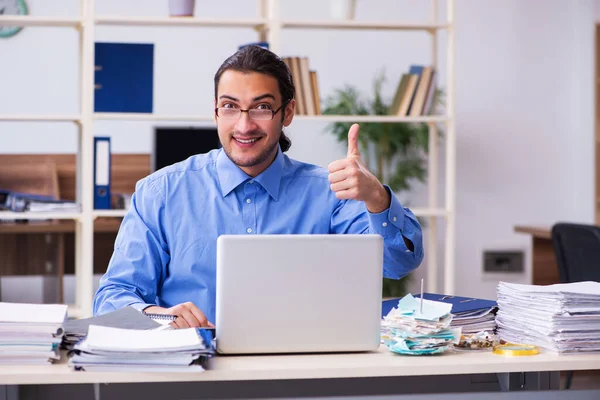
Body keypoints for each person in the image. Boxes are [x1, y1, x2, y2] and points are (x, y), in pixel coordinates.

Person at [93, 45, 424, 328]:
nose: (244, 125)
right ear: (215, 112)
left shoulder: (330, 192)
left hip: (298, 369)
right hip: (194, 371)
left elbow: (398, 264)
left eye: (262, 107)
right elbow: (111, 298)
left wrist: (377, 197)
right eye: (230, 106)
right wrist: (162, 318)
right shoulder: (161, 192)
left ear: (288, 112)